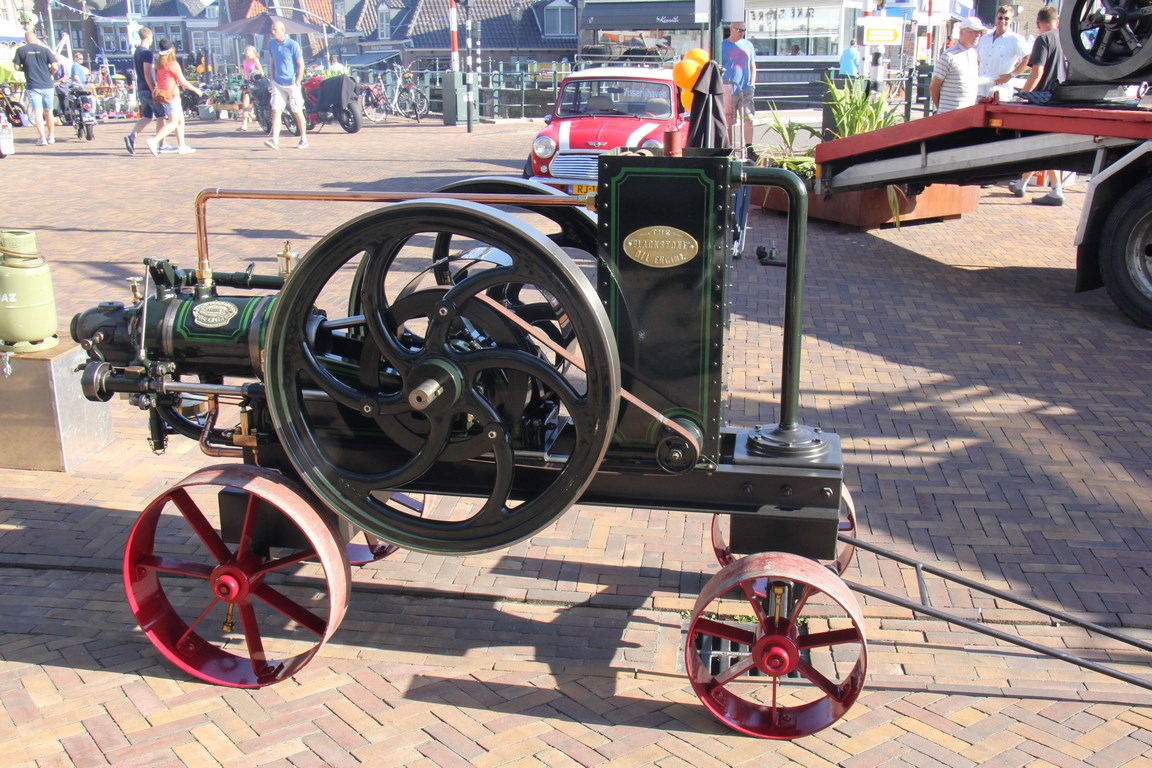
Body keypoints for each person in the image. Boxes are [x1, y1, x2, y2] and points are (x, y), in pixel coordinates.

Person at [1015, 6, 1069, 206]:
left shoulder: (1043, 39)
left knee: (1040, 144)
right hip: (1061, 98)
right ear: (1057, 21)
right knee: (1043, 143)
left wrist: (1023, 95)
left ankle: (1056, 190)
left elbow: (1037, 72)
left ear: (1038, 23)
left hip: (1043, 99)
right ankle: (1022, 183)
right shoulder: (1066, 40)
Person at [145, 39, 201, 156]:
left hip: (163, 95)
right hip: (172, 95)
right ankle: (154, 141)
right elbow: (182, 81)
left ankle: (182, 146)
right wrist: (196, 90)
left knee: (180, 120)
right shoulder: (172, 64)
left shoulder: (159, 64)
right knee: (174, 122)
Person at [929, 17, 990, 113]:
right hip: (950, 115)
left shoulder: (973, 54)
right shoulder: (948, 56)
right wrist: (942, 110)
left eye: (979, 32)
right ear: (961, 32)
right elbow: (934, 87)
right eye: (973, 31)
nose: (977, 35)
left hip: (967, 115)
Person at [265, 19, 308, 150]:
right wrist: (272, 79)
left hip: (291, 83)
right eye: (272, 29)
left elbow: (301, 65)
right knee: (276, 110)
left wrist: (297, 82)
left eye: (275, 30)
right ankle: (275, 140)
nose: (273, 32)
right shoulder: (271, 44)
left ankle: (304, 139)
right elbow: (272, 62)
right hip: (278, 83)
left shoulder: (292, 45)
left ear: (282, 30)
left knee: (297, 110)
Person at [976, 6, 1030, 101]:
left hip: (1000, 93)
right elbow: (977, 61)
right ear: (996, 18)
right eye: (1000, 18)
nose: (1003, 21)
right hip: (980, 91)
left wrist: (1011, 75)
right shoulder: (984, 38)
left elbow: (1029, 59)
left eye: (1006, 18)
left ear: (1011, 21)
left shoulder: (1015, 39)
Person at [14, 30, 57, 146]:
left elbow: (16, 67)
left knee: (37, 112)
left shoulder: (21, 50)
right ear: (36, 38)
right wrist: (50, 73)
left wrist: (25, 69)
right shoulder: (45, 50)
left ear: (26, 39)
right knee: (49, 111)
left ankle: (42, 138)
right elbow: (55, 66)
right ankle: (51, 136)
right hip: (47, 84)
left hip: (33, 85)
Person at [721, 20, 756, 158]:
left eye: (744, 30)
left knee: (748, 118)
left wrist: (752, 83)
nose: (742, 33)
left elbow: (752, 65)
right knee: (728, 121)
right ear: (732, 29)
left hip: (745, 88)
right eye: (739, 30)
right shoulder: (722, 45)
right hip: (728, 88)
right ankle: (729, 149)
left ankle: (749, 149)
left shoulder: (748, 45)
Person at [238, 44, 264, 131]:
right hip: (248, 83)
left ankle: (262, 124)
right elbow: (246, 73)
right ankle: (244, 124)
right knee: (245, 103)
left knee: (258, 104)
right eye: (246, 50)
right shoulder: (244, 61)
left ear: (253, 52)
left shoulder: (255, 60)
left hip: (256, 83)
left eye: (249, 50)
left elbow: (261, 72)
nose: (247, 52)